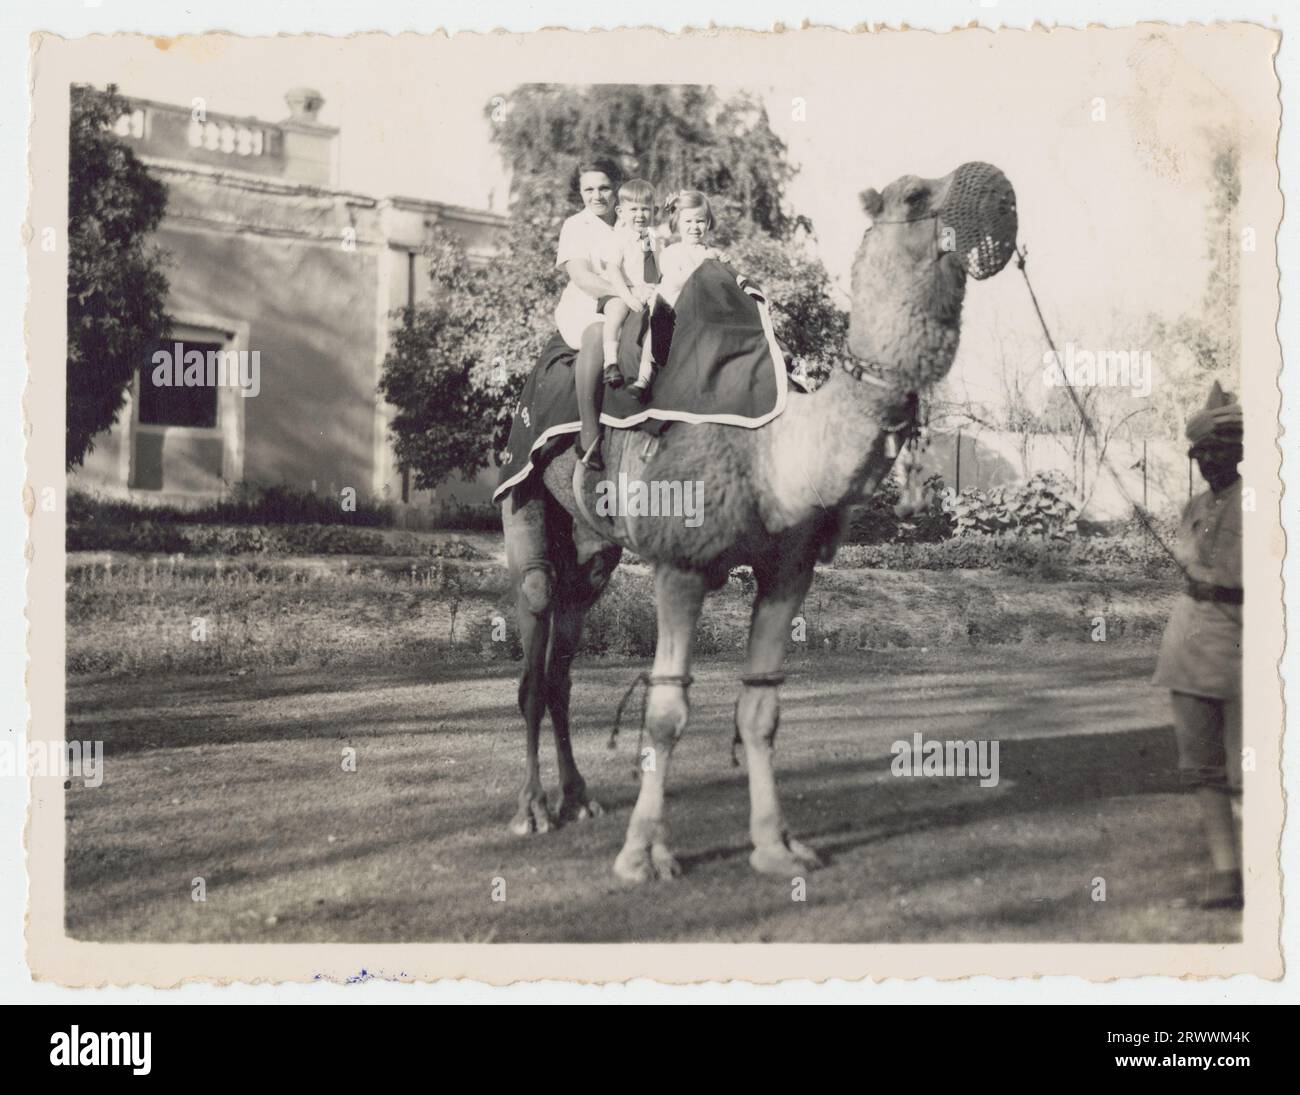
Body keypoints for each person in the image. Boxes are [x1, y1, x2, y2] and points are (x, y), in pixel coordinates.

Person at [1152, 381, 1244, 910]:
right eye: (1202, 452)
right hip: (1189, 648)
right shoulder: (1192, 507)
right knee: (1203, 768)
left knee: (1250, 769)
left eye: (1221, 450)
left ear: (1241, 452)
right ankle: (1226, 876)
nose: (1211, 460)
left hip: (1248, 646)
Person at [554, 156, 624, 472]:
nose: (596, 196)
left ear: (617, 187)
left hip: (628, 303)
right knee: (598, 331)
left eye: (604, 188)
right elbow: (581, 277)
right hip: (586, 305)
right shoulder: (575, 225)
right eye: (588, 189)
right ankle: (589, 430)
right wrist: (624, 293)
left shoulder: (630, 222)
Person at [597, 178, 661, 398]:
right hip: (619, 289)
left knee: (663, 313)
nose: (640, 215)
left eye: (645, 209)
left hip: (644, 289)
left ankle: (646, 371)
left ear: (654, 210)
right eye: (633, 209)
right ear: (620, 211)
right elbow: (613, 271)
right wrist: (627, 295)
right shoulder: (619, 237)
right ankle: (611, 362)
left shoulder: (652, 237)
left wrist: (651, 290)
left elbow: (654, 269)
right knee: (617, 310)